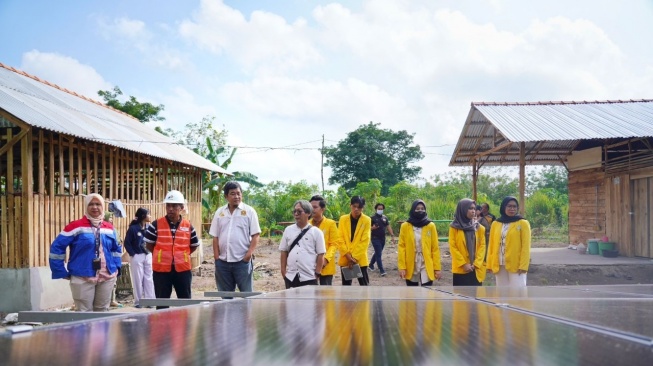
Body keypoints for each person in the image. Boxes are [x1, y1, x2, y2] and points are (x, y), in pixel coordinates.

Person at [49, 194, 122, 312]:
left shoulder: (109, 228)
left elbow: (117, 249)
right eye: (91, 204)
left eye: (98, 204)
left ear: (103, 206)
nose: (94, 207)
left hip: (106, 277)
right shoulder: (75, 226)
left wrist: (116, 267)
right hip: (82, 276)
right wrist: (60, 271)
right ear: (85, 206)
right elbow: (57, 247)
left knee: (102, 312)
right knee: (83, 313)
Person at [144, 190, 200, 308]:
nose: (170, 209)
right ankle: (162, 326)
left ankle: (185, 326)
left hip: (183, 270)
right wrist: (161, 255)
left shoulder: (188, 226)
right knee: (162, 303)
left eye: (174, 206)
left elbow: (194, 245)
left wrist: (182, 255)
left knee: (185, 303)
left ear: (181, 207)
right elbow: (149, 245)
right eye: (168, 205)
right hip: (161, 271)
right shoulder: (156, 225)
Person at [210, 181, 261, 292]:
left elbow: (256, 235)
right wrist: (217, 258)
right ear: (226, 196)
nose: (236, 196)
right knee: (225, 298)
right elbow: (215, 236)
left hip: (242, 262)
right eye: (233, 194)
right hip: (223, 263)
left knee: (246, 296)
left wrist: (247, 257)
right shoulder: (219, 212)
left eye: (239, 193)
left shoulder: (249, 212)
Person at [279, 200, 326, 288]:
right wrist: (283, 272)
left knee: (309, 302)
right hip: (291, 277)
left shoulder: (316, 232)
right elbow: (283, 251)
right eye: (294, 211)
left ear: (308, 213)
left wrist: (317, 273)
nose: (296, 214)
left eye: (299, 211)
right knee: (291, 301)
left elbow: (321, 254)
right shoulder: (288, 230)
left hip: (309, 277)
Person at [487, 196, 531, 287]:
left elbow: (526, 246)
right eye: (509, 206)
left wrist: (523, 266)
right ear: (504, 207)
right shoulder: (496, 223)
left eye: (514, 206)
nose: (512, 209)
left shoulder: (522, 223)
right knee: (502, 294)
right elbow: (491, 245)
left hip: (516, 264)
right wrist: (489, 264)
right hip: (499, 264)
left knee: (518, 293)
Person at [397, 199, 441, 286]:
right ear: (413, 210)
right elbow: (402, 247)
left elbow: (435, 248)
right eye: (417, 209)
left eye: (422, 208)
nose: (420, 211)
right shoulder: (405, 226)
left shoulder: (430, 225)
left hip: (426, 262)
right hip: (411, 262)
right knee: (412, 292)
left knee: (427, 292)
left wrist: (437, 268)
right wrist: (402, 267)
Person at [449, 198, 486, 286]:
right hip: (461, 270)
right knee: (461, 297)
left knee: (476, 297)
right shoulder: (454, 227)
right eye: (470, 208)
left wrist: (476, 264)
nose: (473, 211)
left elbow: (482, 246)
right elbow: (453, 247)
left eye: (474, 208)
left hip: (475, 269)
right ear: (462, 210)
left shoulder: (479, 228)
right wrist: (464, 264)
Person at [124, 207, 155, 308]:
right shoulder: (133, 229)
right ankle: (138, 301)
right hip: (137, 255)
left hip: (148, 255)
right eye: (148, 214)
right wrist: (133, 254)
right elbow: (127, 243)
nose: (150, 216)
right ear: (143, 216)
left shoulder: (149, 227)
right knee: (138, 279)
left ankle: (150, 300)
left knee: (149, 278)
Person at [337, 196, 371, 286]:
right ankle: (346, 301)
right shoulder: (343, 219)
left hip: (359, 258)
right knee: (346, 286)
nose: (356, 209)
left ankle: (365, 301)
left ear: (363, 208)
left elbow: (365, 240)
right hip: (346, 257)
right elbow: (340, 238)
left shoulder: (367, 220)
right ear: (350, 205)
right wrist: (348, 255)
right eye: (354, 206)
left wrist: (354, 258)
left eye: (359, 207)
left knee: (364, 286)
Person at [309, 195, 342, 285]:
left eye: (315, 207)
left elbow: (335, 243)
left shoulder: (330, 223)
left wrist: (326, 259)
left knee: (326, 294)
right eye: (310, 207)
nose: (312, 210)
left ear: (323, 209)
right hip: (309, 265)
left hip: (326, 265)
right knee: (310, 294)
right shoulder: (307, 224)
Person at [103, 212, 124, 308]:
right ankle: (106, 301)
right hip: (107, 260)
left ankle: (112, 300)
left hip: (115, 260)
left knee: (113, 281)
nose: (111, 219)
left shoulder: (114, 229)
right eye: (109, 217)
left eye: (112, 217)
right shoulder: (104, 230)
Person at [369, 203, 395, 277]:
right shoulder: (372, 218)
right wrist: (372, 228)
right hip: (374, 238)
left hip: (382, 238)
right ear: (376, 209)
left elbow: (388, 226)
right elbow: (367, 228)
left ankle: (371, 265)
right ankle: (381, 270)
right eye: (379, 209)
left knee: (378, 252)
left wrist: (392, 235)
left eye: (381, 209)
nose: (380, 210)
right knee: (379, 254)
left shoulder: (385, 218)